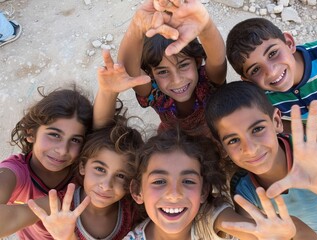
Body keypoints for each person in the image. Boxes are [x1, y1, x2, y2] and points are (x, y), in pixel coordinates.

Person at [205, 81, 317, 233]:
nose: (251, 149)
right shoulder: (243, 190)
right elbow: (260, 231)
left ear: (277, 121)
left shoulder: (310, 149)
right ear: (222, 147)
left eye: (257, 129)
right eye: (233, 140)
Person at [123, 129, 316, 240]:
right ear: (137, 191)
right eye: (159, 181)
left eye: (188, 181)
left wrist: (287, 233)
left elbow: (263, 231)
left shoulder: (209, 221)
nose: (174, 194)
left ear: (204, 191)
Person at [226, 18, 317, 138]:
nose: (271, 72)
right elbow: (275, 121)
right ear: (248, 80)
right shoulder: (261, 96)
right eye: (255, 69)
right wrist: (308, 133)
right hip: (310, 134)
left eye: (273, 53)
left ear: (289, 43)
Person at [114, 0, 227, 136]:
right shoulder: (154, 93)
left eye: (184, 65)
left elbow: (218, 59)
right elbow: (128, 71)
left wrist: (205, 25)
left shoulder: (208, 81)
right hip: (176, 148)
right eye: (163, 72)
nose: (177, 80)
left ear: (197, 61)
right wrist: (136, 27)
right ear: (151, 74)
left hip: (215, 143)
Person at [28, 109, 145, 240]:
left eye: (121, 176)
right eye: (100, 169)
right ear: (83, 166)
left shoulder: (135, 210)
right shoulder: (59, 208)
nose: (106, 186)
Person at [0, 86, 93, 239]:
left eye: (75, 140)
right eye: (54, 135)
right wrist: (50, 204)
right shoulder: (14, 172)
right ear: (30, 133)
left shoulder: (84, 170)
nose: (63, 150)